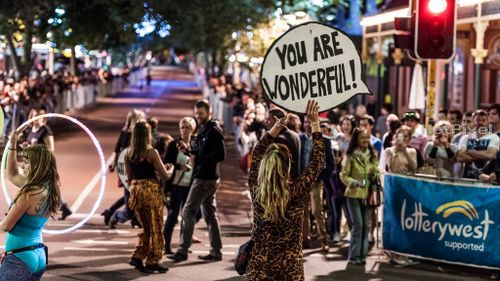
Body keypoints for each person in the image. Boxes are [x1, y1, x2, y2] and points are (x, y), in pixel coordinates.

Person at [246, 100, 325, 280]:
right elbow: (318, 162)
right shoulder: (296, 191)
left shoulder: (257, 190)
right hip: (289, 270)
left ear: (265, 166)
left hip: (260, 268)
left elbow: (258, 152)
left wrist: (274, 129)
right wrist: (315, 123)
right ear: (287, 167)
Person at [0, 129, 62, 281]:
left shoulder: (29, 193)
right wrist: (13, 143)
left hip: (20, 258)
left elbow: (5, 226)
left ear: (36, 165)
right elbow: (12, 174)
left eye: (26, 162)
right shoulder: (47, 187)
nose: (23, 165)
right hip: (36, 255)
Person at [168, 99, 225, 262]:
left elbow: (220, 155)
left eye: (201, 114)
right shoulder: (205, 129)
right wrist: (188, 151)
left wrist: (198, 156)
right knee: (210, 215)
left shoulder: (213, 130)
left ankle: (183, 250)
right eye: (196, 114)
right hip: (207, 177)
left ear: (209, 113)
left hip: (205, 178)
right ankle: (216, 251)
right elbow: (200, 153)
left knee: (188, 211)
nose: (198, 116)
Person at [126, 120, 174, 273]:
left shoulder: (128, 153)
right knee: (156, 227)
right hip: (151, 192)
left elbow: (129, 177)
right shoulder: (151, 152)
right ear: (147, 135)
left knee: (146, 227)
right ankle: (153, 260)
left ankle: (138, 256)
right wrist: (171, 168)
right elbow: (165, 176)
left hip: (137, 191)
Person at [21, 108, 71, 221]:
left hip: (42, 165)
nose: (36, 119)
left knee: (45, 189)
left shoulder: (45, 130)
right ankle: (62, 206)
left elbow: (51, 148)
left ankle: (61, 206)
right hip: (31, 164)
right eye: (33, 116)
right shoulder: (30, 130)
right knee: (38, 188)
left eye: (38, 116)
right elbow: (29, 146)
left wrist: (42, 159)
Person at [340, 128, 379, 266]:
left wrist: (375, 174)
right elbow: (343, 175)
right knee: (358, 225)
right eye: (362, 138)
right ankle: (353, 256)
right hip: (353, 194)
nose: (365, 140)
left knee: (366, 226)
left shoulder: (372, 155)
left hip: (368, 195)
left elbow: (377, 173)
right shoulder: (350, 156)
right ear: (356, 139)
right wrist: (355, 183)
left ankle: (362, 255)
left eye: (367, 138)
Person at [103, 109, 145, 228]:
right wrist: (114, 163)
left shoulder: (141, 131)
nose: (143, 120)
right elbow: (118, 148)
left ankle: (116, 212)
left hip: (137, 166)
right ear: (134, 119)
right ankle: (117, 215)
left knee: (134, 193)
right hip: (126, 167)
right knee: (131, 196)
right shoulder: (127, 132)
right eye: (141, 118)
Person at [163, 117, 197, 255]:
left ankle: (184, 245)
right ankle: (166, 245)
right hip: (177, 185)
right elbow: (166, 163)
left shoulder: (195, 145)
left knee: (187, 216)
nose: (184, 130)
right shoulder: (173, 145)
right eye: (182, 127)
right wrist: (179, 167)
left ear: (192, 129)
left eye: (187, 127)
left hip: (191, 185)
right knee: (173, 215)